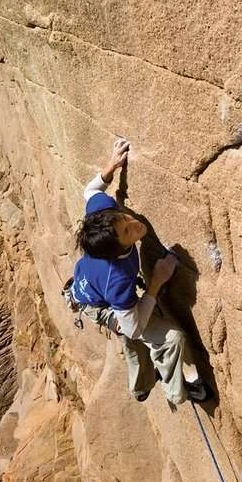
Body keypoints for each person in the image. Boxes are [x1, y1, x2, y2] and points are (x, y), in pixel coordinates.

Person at [71, 138, 210, 405]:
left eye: (124, 219)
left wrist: (109, 168)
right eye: (127, 232)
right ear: (115, 252)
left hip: (90, 286)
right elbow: (133, 327)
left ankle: (141, 385)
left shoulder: (102, 214)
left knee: (137, 331)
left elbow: (90, 191)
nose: (134, 224)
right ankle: (178, 392)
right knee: (171, 339)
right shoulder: (118, 278)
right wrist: (156, 282)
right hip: (101, 305)